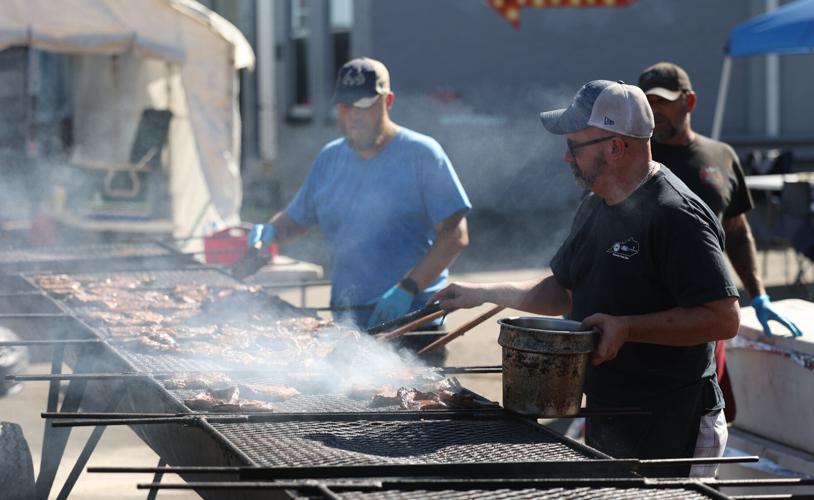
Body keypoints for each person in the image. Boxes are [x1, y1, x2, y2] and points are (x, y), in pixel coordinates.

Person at [432, 80, 740, 477]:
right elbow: (561, 291)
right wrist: (481, 293)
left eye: (575, 145)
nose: (565, 158)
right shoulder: (595, 204)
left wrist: (627, 328)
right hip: (611, 410)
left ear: (616, 146)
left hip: (673, 416)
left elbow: (723, 319)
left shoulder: (675, 215)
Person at [248, 57, 471, 329]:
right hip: (347, 326)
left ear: (387, 101)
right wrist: (270, 232)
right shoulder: (330, 158)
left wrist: (407, 288)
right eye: (346, 105)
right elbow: (296, 219)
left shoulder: (422, 154)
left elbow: (455, 235)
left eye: (364, 104)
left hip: (414, 325)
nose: (354, 114)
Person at [639, 62, 804, 422]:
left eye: (663, 101)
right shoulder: (635, 158)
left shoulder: (721, 156)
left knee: (709, 419)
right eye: (647, 103)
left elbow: (737, 229)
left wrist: (758, 294)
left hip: (707, 315)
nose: (655, 111)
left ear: (690, 101)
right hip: (646, 320)